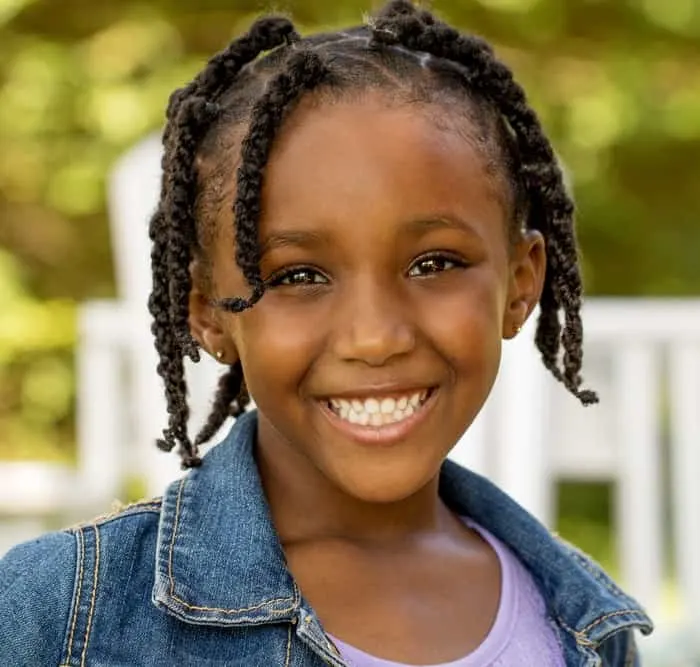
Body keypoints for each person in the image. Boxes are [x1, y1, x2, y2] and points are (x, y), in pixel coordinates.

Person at [0, 2, 653, 665]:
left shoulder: (586, 627)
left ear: (520, 283)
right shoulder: (57, 613)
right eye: (299, 275)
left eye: (434, 264)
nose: (374, 337)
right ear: (206, 310)